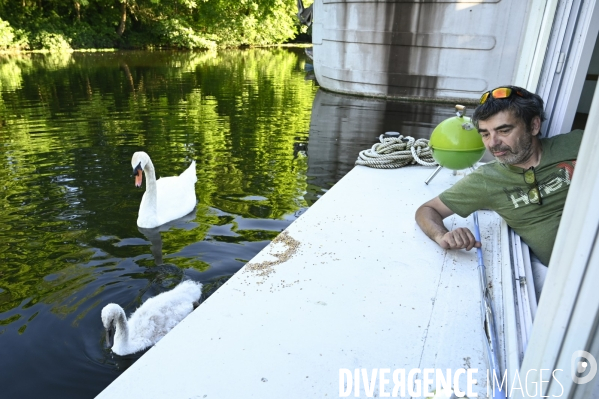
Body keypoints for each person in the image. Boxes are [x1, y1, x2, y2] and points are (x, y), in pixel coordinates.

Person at [415, 86, 583, 298]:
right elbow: (427, 210)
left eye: (504, 131)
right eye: (485, 134)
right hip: (577, 279)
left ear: (533, 125)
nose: (493, 144)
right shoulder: (486, 180)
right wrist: (443, 235)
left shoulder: (579, 143)